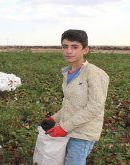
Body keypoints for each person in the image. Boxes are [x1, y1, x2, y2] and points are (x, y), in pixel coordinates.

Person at [42, 29, 109, 165]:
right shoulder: (68, 73)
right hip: (68, 131)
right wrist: (53, 119)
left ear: (85, 50)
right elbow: (71, 104)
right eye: (65, 46)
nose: (69, 51)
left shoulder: (95, 73)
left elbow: (95, 107)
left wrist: (63, 128)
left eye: (74, 47)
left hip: (82, 135)